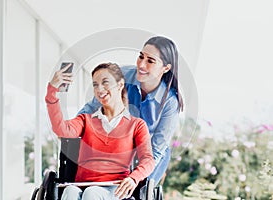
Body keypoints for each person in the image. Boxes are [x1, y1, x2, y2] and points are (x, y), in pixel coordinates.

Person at [79, 36, 183, 185]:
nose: (141, 64)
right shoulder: (122, 76)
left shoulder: (170, 103)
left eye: (150, 61)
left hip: (148, 154)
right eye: (141, 57)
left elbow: (157, 149)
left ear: (166, 68)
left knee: (139, 188)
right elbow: (92, 107)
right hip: (118, 147)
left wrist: (136, 177)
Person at [45, 62, 155, 200]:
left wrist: (134, 178)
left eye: (105, 82)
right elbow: (61, 130)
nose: (99, 89)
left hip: (115, 189)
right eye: (95, 85)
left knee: (92, 193)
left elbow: (148, 160)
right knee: (71, 192)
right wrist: (52, 91)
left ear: (120, 85)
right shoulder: (85, 120)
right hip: (81, 186)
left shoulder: (136, 125)